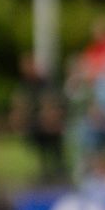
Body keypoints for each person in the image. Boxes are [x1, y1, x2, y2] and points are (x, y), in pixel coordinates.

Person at [11, 55, 64, 183]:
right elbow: (19, 104)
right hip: (35, 123)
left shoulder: (46, 83)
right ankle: (45, 170)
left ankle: (58, 169)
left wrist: (50, 116)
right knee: (38, 133)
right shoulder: (24, 85)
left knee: (51, 132)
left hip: (50, 122)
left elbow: (53, 104)